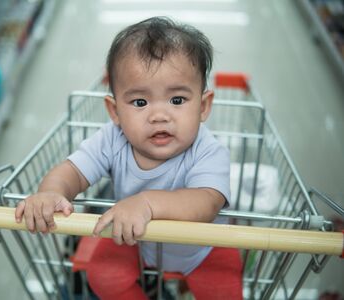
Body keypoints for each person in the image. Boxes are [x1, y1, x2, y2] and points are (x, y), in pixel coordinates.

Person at [15, 16, 242, 300]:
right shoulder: (112, 140)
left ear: (203, 105)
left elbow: (205, 203)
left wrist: (146, 202)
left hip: (205, 247)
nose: (159, 116)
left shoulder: (209, 150)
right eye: (139, 102)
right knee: (102, 275)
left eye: (177, 100)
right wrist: (51, 192)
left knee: (226, 290)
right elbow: (72, 170)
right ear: (114, 111)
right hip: (136, 237)